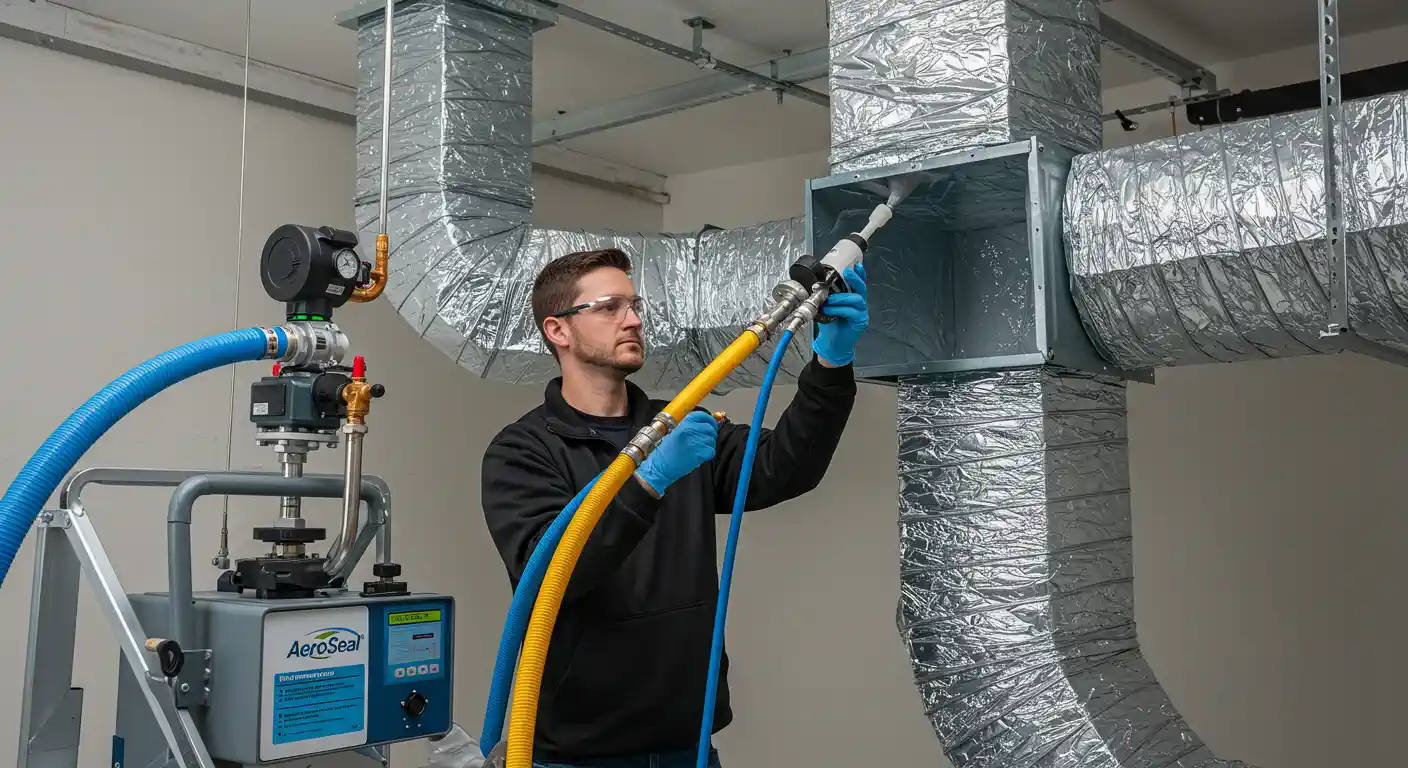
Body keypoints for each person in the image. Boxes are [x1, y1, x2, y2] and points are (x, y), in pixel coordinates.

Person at [481, 247, 868, 767]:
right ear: (558, 330)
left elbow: (785, 467)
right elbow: (553, 574)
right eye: (610, 307)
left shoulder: (680, 423)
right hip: (578, 752)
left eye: (634, 305)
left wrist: (831, 364)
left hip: (687, 744)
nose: (633, 319)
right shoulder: (524, 452)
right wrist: (648, 480)